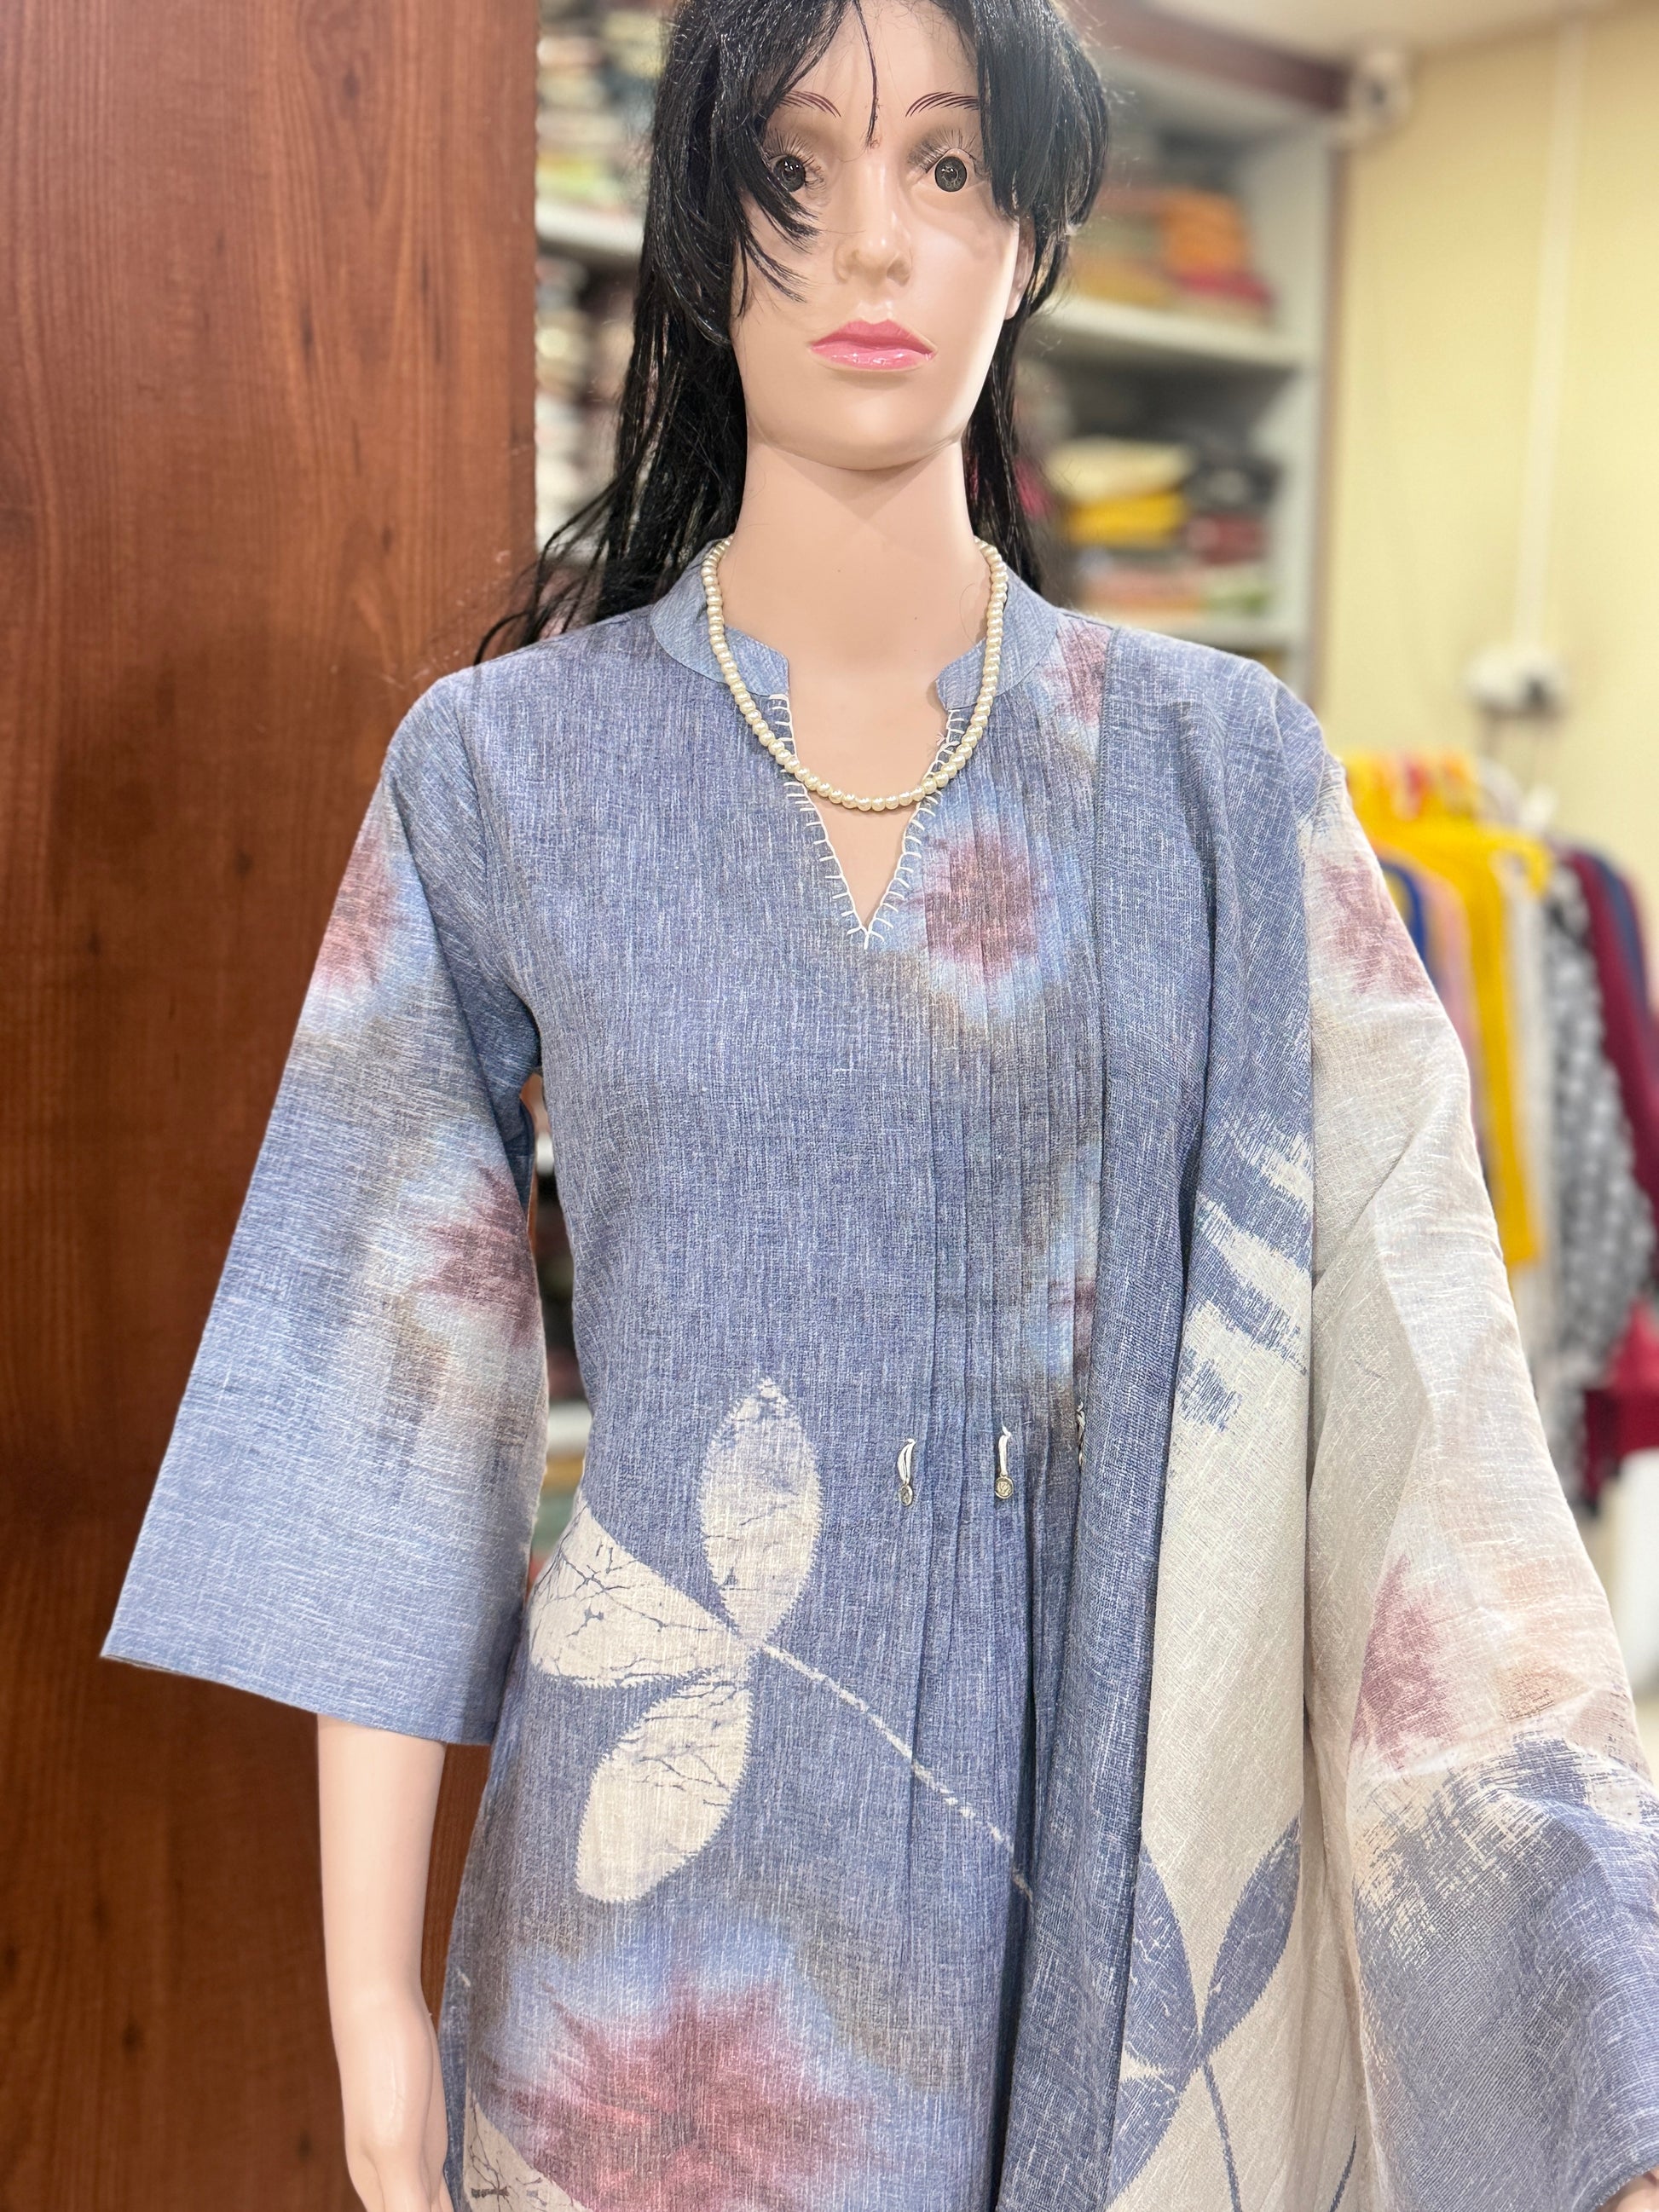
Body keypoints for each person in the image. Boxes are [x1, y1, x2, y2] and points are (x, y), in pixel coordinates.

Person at [102, 1, 1659, 2206]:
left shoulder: (1222, 781)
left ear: (1029, 231)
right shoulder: (503, 774)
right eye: (793, 170)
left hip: (1095, 1890)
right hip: (649, 1950)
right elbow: (388, 1397)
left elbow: (1432, 1400)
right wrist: (371, 2005)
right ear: (698, 224)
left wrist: (1597, 2045)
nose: (869, 242)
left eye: (943, 164)